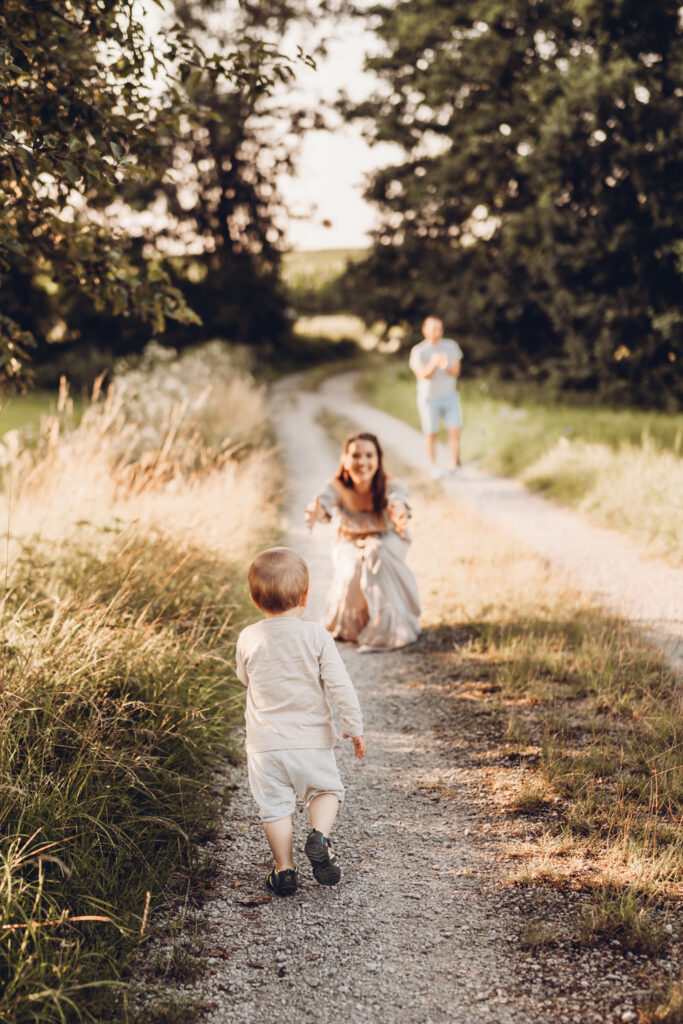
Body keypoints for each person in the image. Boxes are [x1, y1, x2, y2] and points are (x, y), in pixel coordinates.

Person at [235, 546, 366, 897]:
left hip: (265, 745)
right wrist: (354, 727)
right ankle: (318, 836)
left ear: (254, 598)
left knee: (274, 807)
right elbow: (340, 684)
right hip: (310, 742)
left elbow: (244, 678)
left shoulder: (249, 637)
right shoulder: (317, 636)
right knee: (325, 790)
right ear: (306, 596)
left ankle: (285, 869)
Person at [305, 432, 421, 652]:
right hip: (347, 541)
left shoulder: (389, 484)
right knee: (355, 564)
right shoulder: (336, 486)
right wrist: (315, 511)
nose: (363, 462)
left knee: (377, 553)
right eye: (356, 456)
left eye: (369, 455)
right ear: (345, 460)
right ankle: (354, 628)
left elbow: (398, 498)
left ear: (378, 459)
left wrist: (398, 509)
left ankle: (389, 630)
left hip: (388, 538)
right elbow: (323, 501)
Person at [409, 315, 464, 478]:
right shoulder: (418, 351)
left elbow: (456, 372)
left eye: (440, 329)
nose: (437, 332)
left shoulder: (451, 346)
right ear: (425, 331)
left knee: (454, 431)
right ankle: (434, 467)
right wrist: (433, 364)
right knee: (431, 433)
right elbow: (422, 375)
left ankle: (454, 466)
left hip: (450, 396)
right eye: (434, 329)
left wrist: (446, 366)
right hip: (428, 399)